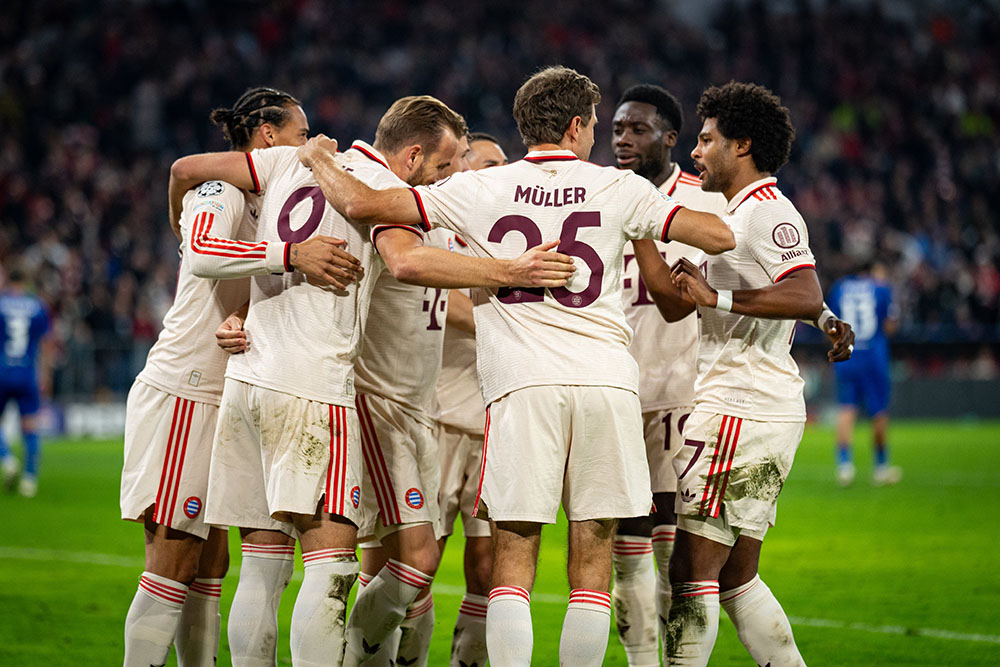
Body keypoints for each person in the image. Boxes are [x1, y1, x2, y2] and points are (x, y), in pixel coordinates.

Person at [297, 64, 736, 667]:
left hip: (522, 388)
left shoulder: (481, 187)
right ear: (577, 125)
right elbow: (718, 236)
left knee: (512, 564)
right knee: (592, 566)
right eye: (594, 124)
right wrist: (647, 222)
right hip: (606, 384)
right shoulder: (618, 186)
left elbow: (362, 203)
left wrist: (317, 158)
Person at [170, 93, 575, 667]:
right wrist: (513, 271)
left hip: (250, 378)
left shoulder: (290, 160)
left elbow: (188, 170)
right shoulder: (379, 195)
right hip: (318, 385)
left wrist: (242, 304)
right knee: (332, 567)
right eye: (443, 164)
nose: (447, 176)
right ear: (411, 157)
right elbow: (407, 262)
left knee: (262, 564)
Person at [121, 86, 360, 667]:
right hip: (186, 390)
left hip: (228, 388)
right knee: (173, 561)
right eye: (302, 134)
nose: (309, 144)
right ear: (268, 136)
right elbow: (204, 252)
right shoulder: (220, 189)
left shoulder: (270, 199)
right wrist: (292, 253)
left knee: (212, 565)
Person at [635, 81, 850, 667]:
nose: (696, 152)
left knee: (690, 570)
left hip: (740, 407)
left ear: (742, 145)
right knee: (734, 576)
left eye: (707, 140)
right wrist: (640, 230)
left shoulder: (766, 211)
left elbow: (803, 292)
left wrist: (720, 298)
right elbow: (675, 307)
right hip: (749, 407)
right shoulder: (733, 216)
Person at [609, 84, 727, 667]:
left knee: (674, 549)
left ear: (670, 138)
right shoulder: (600, 195)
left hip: (683, 392)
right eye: (617, 130)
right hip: (616, 391)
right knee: (623, 542)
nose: (623, 139)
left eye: (638, 129)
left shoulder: (706, 203)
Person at [433, 131, 508, 667]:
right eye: (489, 163)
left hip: (492, 423)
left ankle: (468, 661)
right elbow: (445, 303)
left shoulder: (510, 235)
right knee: (417, 562)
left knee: (487, 565)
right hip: (435, 415)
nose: (502, 172)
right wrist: (514, 327)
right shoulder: (436, 228)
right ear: (460, 169)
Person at [828, 259, 900, 486]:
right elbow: (890, 326)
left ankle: (844, 467)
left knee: (846, 409)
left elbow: (830, 325)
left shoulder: (839, 288)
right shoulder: (881, 288)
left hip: (847, 354)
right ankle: (881, 467)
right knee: (878, 411)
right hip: (873, 356)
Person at [0, 262, 51, 498]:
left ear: (8, 281)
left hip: (2, 372)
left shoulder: (1, 304)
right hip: (28, 373)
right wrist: (45, 373)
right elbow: (46, 342)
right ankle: (29, 480)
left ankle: (7, 459)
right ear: (26, 282)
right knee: (30, 427)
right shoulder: (37, 306)